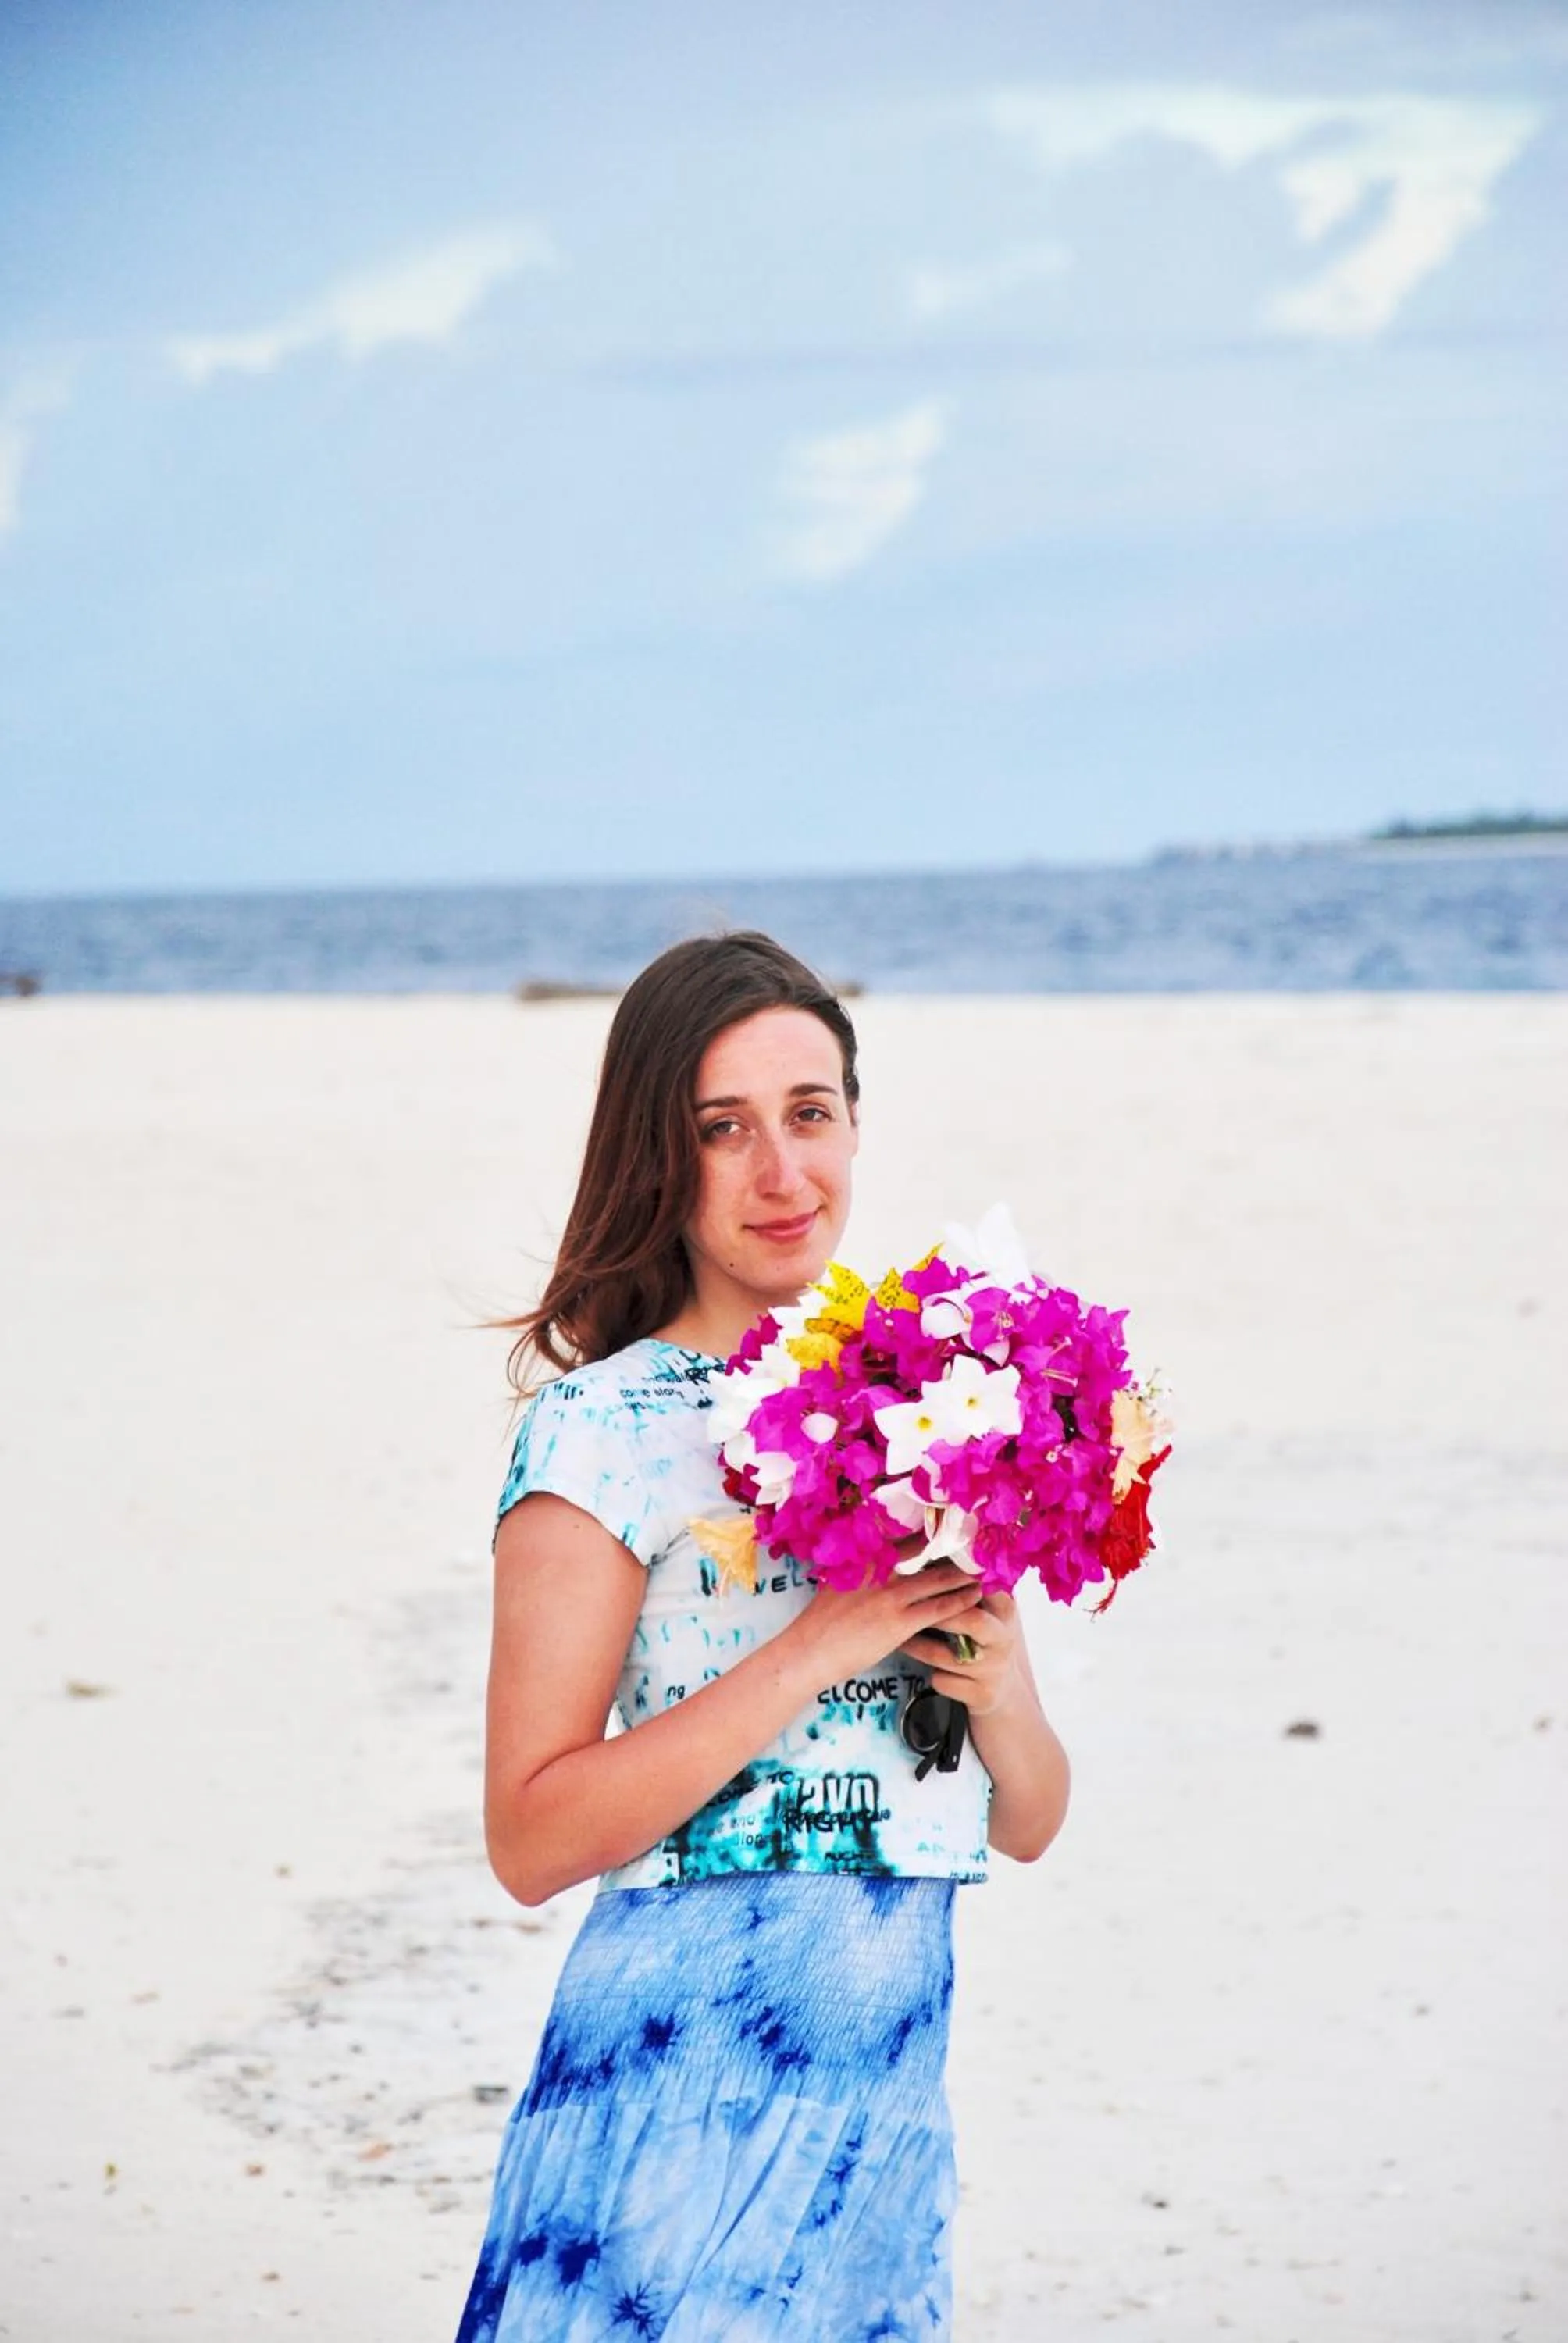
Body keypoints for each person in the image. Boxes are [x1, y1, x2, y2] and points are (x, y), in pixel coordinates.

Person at [455, 932, 1071, 2341]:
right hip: (677, 2105)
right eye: (721, 1131)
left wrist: (1005, 1690)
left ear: (856, 1120)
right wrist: (816, 1646)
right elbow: (530, 1835)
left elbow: (1025, 1818)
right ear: (654, 1162)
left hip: (883, 2118)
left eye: (809, 1114)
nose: (781, 1173)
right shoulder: (602, 1431)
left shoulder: (930, 1404)